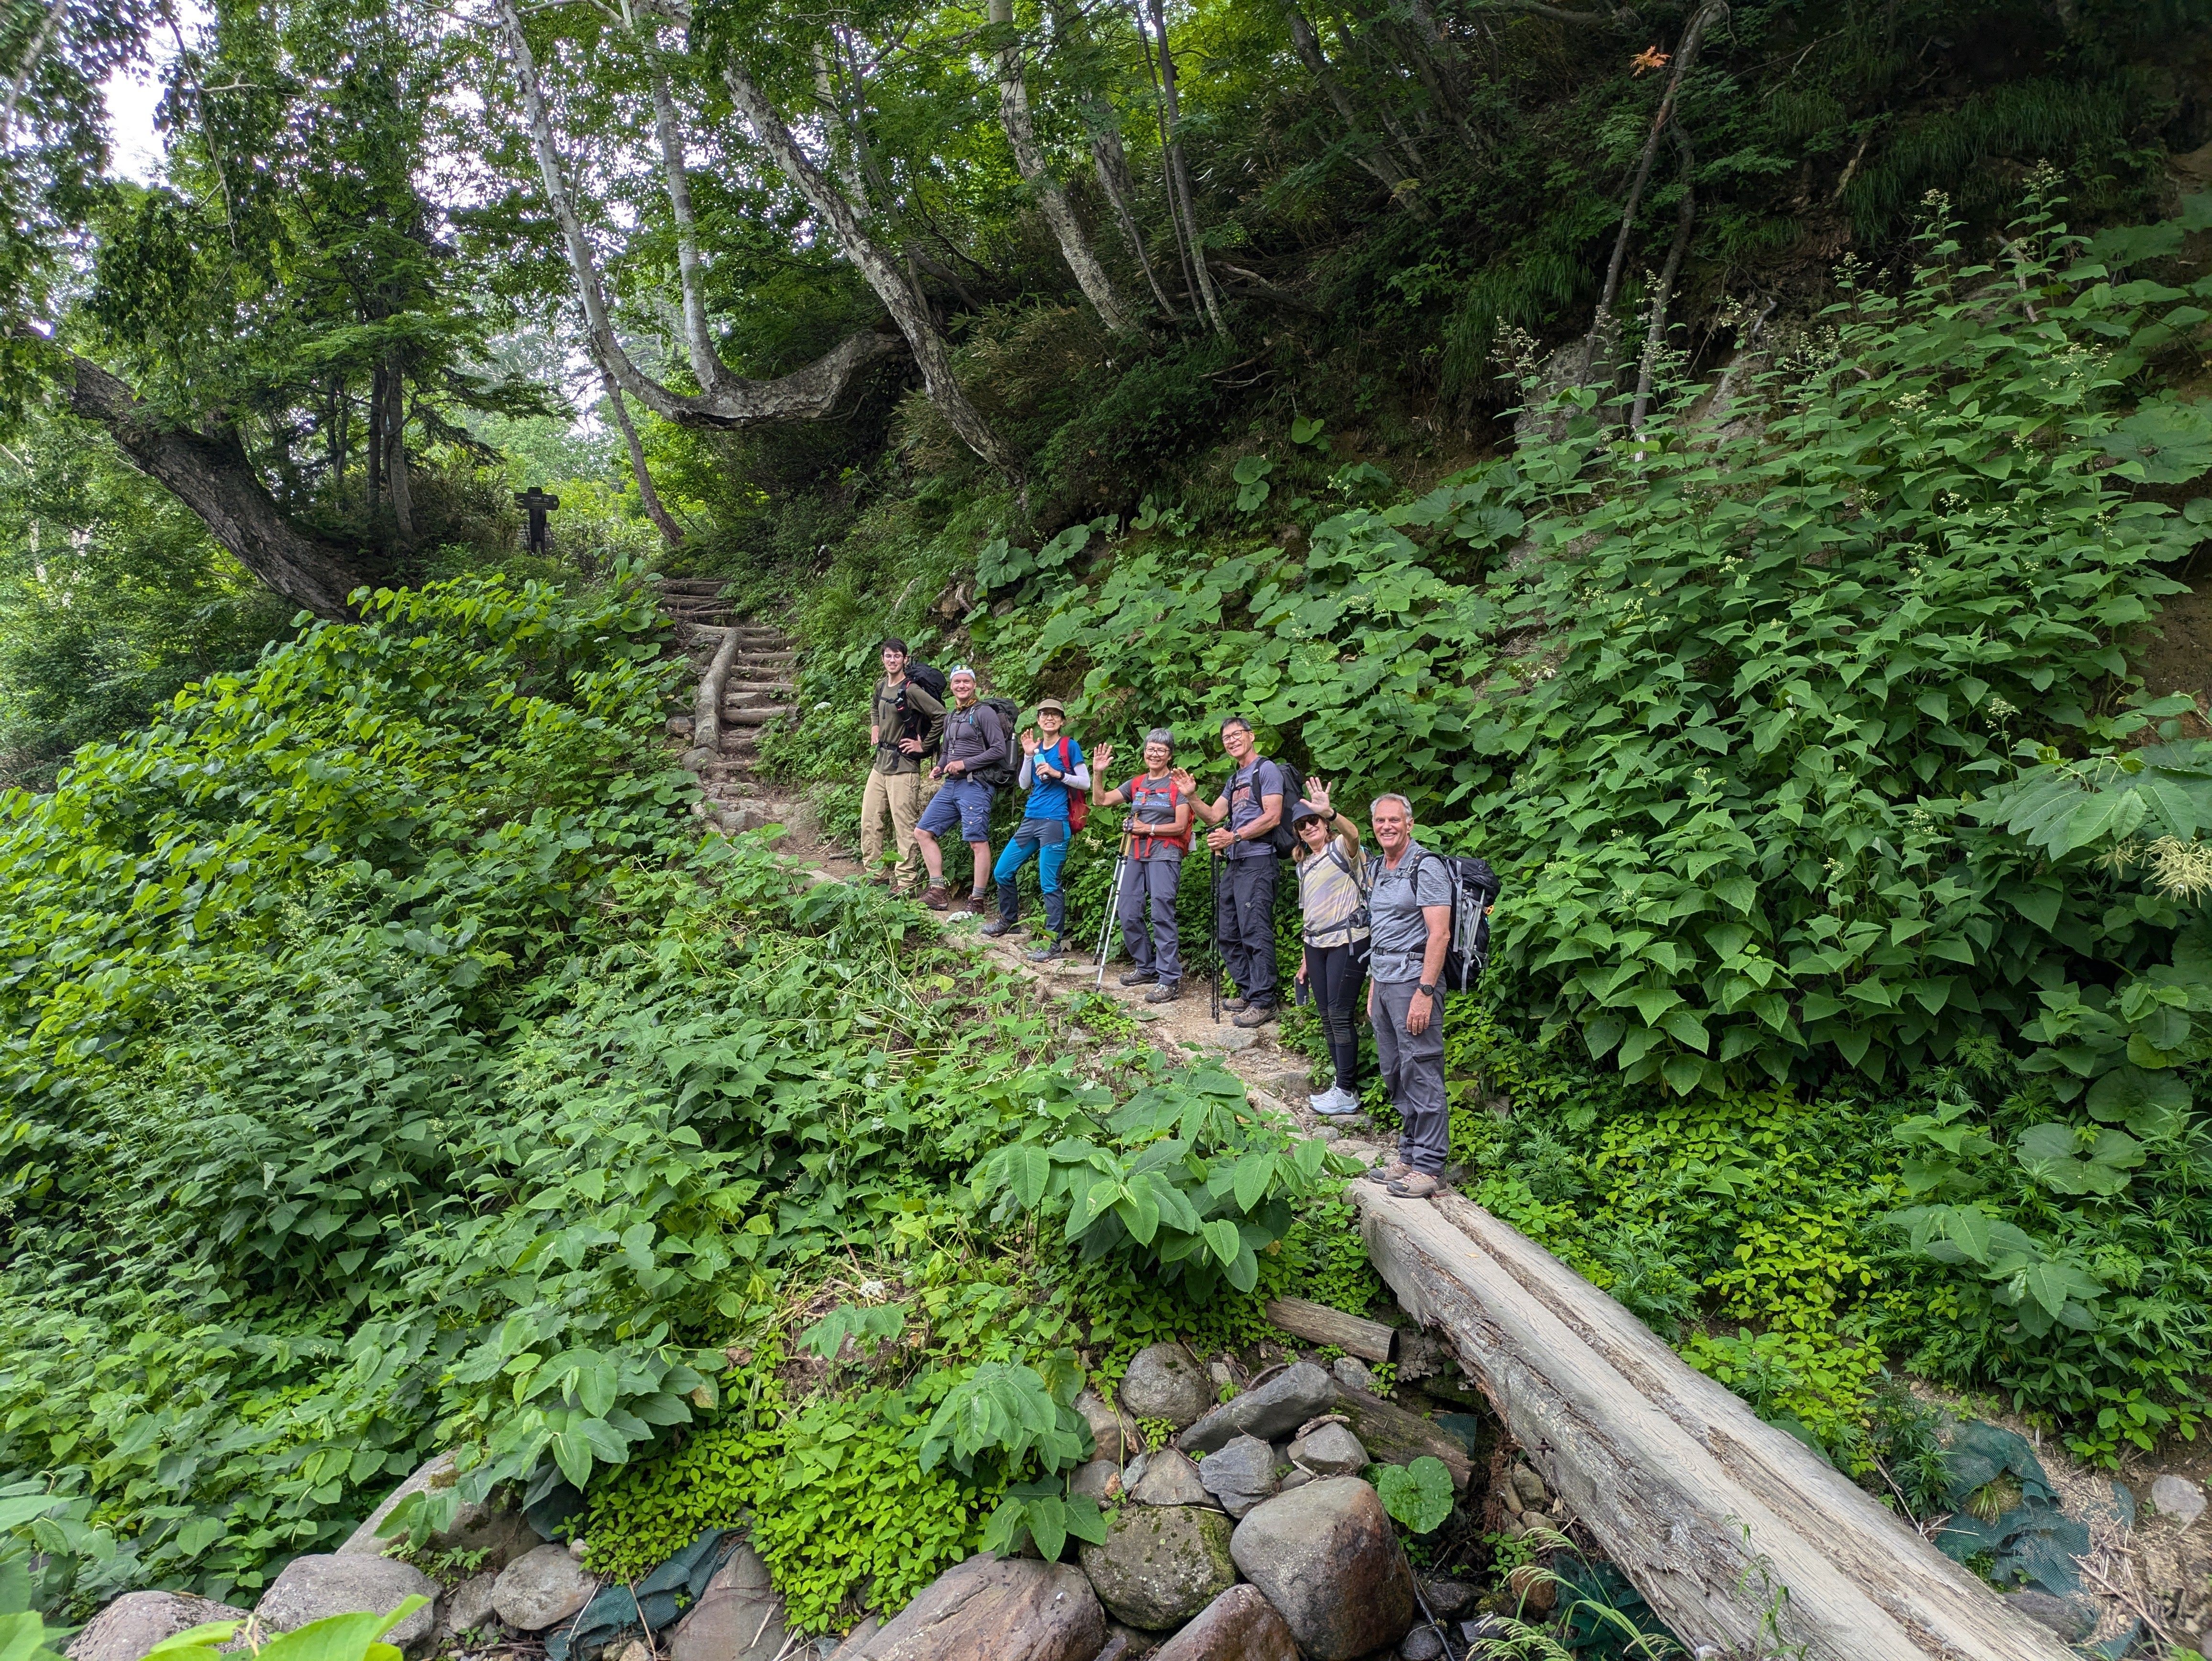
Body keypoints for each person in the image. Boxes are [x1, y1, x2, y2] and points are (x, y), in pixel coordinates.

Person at [1361, 792, 1454, 1198]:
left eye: (1394, 820)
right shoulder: (1381, 867)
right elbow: (1381, 931)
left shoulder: (1426, 866)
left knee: (1422, 1067)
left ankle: (1430, 1166)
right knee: (1395, 1070)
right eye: (1380, 821)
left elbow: (1441, 934)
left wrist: (1425, 992)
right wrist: (1373, 987)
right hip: (1384, 981)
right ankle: (1410, 1154)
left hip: (1414, 981)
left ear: (1410, 823)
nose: (1387, 826)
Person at [1175, 717, 1286, 1029]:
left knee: (1255, 931)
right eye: (1226, 737)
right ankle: (1251, 992)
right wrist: (1191, 795)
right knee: (1228, 932)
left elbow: (1274, 816)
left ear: (1251, 736)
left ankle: (1265, 1002)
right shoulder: (1236, 779)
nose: (1232, 740)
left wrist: (1234, 837)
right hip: (1236, 864)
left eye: (1237, 734)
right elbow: (1212, 815)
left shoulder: (1267, 770)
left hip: (1259, 862)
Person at [1091, 729, 1191, 1002]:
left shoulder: (1177, 785)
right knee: (1128, 912)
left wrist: (1148, 828)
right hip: (1134, 853)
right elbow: (1100, 801)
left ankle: (1169, 979)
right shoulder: (1136, 784)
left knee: (1162, 913)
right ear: (1144, 752)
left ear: (1170, 755)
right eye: (1150, 749)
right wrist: (1098, 772)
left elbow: (1181, 825)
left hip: (1165, 854)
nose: (1154, 754)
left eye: (1161, 750)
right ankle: (1146, 967)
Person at [984, 698, 1088, 956]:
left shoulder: (1069, 746)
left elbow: (1085, 783)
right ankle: (1009, 921)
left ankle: (1054, 945)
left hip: (1055, 822)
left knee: (1049, 884)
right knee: (1002, 871)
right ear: (1039, 720)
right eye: (1044, 715)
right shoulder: (1037, 745)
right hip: (1031, 820)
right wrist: (1029, 755)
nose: (1049, 718)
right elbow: (1023, 784)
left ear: (1063, 721)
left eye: (1055, 715)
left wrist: (1058, 774)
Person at [1289, 779, 1369, 1115]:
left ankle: (1347, 1091)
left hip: (1347, 940)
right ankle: (1341, 1085)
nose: (1309, 827)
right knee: (1326, 1016)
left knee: (1339, 1014)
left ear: (1323, 824)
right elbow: (1311, 913)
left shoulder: (1341, 850)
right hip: (1316, 945)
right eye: (1302, 825)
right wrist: (1305, 960)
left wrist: (1331, 812)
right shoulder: (1303, 865)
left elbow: (1355, 835)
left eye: (1313, 821)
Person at [914, 666, 1007, 912]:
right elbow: (946, 752)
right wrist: (940, 767)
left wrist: (964, 764)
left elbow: (999, 750)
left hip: (976, 784)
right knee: (923, 832)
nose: (962, 686)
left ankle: (977, 901)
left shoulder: (984, 712)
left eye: (967, 681)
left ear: (974, 685)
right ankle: (938, 891)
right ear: (952, 686)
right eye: (957, 682)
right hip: (951, 785)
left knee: (977, 842)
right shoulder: (951, 716)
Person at [861, 638, 944, 895]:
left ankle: (906, 883)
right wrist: (875, 725)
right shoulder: (880, 685)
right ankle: (876, 876)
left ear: (905, 660)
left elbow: (942, 715)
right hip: (880, 764)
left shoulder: (911, 690)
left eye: (897, 656)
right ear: (883, 659)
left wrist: (924, 746)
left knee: (903, 826)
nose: (892, 660)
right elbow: (876, 705)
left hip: (904, 766)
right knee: (869, 820)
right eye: (888, 656)